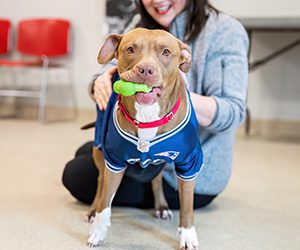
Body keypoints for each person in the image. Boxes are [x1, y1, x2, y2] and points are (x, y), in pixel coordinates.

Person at [62, 0, 249, 209]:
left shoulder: (225, 31)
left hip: (183, 173)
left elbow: (234, 113)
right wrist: (100, 82)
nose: (158, 1)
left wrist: (177, 94)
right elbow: (116, 68)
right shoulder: (141, 23)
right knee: (88, 151)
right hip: (139, 144)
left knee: (76, 175)